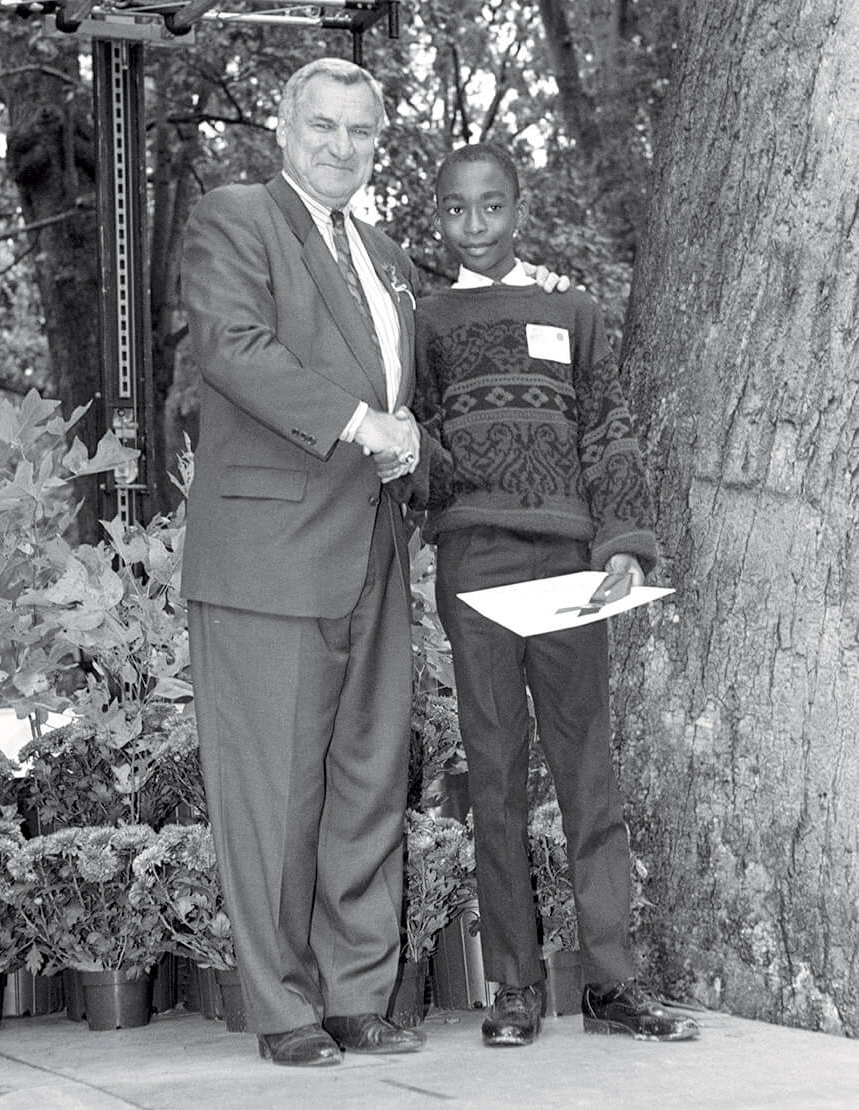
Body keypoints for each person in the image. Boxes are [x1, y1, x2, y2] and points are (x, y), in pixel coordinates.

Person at [181, 61, 566, 1069]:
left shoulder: (391, 258)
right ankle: (282, 1006)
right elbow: (232, 346)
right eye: (323, 125)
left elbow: (427, 412)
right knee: (274, 796)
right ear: (281, 123)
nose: (341, 145)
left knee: (364, 786)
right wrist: (363, 424)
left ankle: (356, 995)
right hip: (267, 560)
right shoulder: (238, 219)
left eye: (360, 130)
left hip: (376, 555)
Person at [385, 142, 700, 1047]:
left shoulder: (575, 310)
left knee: (588, 777)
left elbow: (607, 427)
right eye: (455, 210)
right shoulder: (424, 322)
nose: (474, 227)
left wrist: (628, 544)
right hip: (475, 570)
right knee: (495, 783)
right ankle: (515, 988)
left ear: (518, 208)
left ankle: (612, 984)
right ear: (436, 215)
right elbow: (420, 439)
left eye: (491, 207)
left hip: (570, 574)